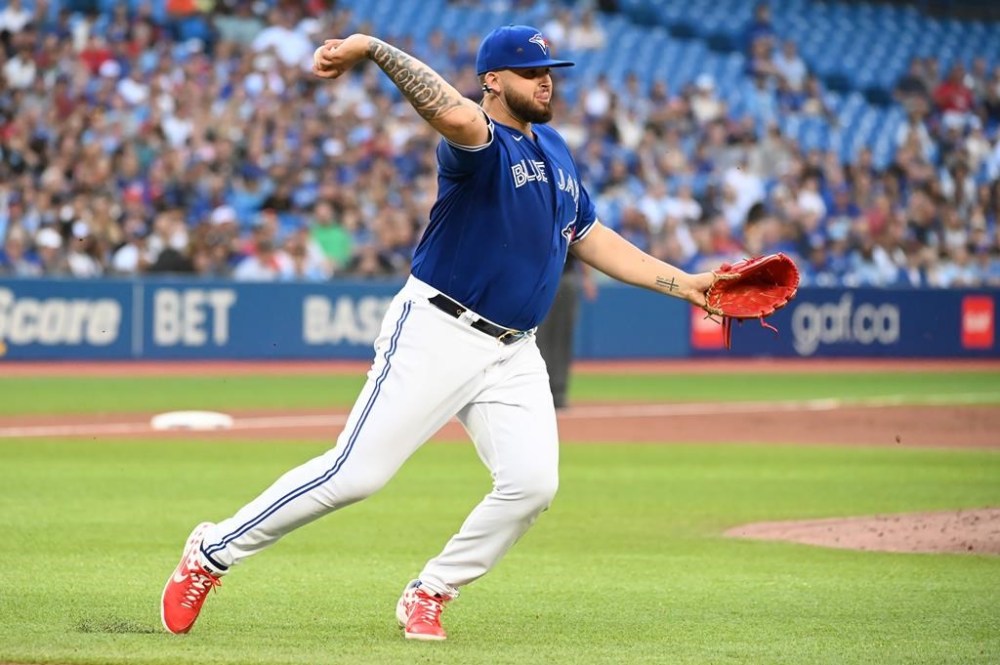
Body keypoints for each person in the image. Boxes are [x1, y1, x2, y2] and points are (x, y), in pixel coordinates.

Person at [160, 24, 721, 642]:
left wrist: (686, 284)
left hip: (514, 350)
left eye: (548, 70)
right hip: (439, 329)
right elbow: (450, 114)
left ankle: (432, 589)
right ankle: (211, 552)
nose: (545, 80)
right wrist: (373, 47)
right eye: (529, 71)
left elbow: (590, 237)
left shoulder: (555, 147)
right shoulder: (479, 145)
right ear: (492, 81)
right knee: (356, 475)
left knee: (532, 485)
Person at [535, 253, 597, 409]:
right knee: (541, 338)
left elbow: (584, 244)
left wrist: (588, 278)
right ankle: (544, 391)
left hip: (564, 277)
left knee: (562, 337)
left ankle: (558, 392)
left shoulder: (568, 227)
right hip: (542, 279)